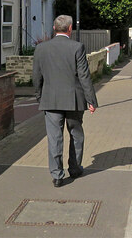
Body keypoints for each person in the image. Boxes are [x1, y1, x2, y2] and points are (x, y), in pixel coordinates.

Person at [32, 14, 98, 188]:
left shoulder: (41, 48)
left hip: (50, 100)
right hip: (74, 100)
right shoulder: (77, 47)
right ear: (70, 29)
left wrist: (40, 97)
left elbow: (36, 77)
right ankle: (75, 169)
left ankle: (57, 175)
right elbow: (84, 76)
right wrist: (91, 100)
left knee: (54, 138)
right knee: (76, 134)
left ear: (54, 28)